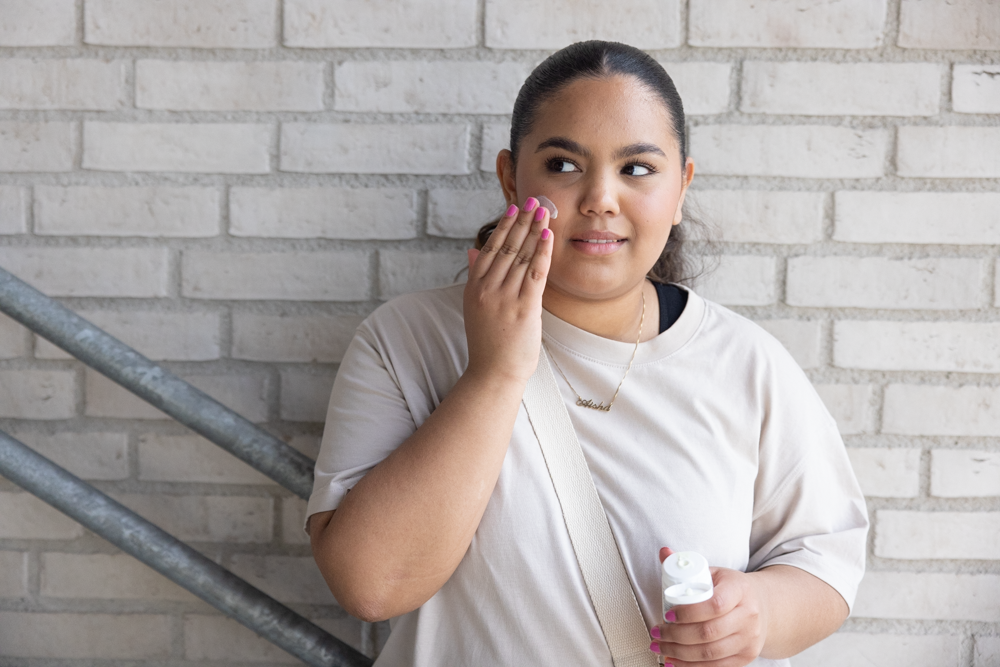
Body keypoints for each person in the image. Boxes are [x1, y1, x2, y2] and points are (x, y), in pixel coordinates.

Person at [307, 41, 868, 667]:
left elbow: (826, 560)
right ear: (510, 178)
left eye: (636, 169)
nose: (601, 197)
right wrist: (496, 372)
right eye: (564, 165)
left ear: (681, 187)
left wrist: (757, 614)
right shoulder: (408, 340)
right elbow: (372, 585)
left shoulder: (745, 362)